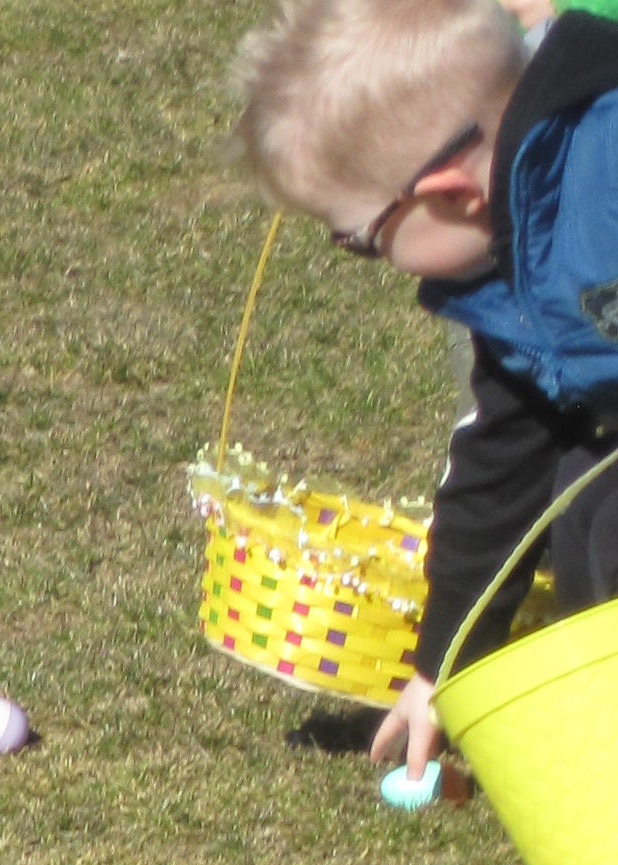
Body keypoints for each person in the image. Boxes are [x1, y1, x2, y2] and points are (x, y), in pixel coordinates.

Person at [231, 0, 618, 777]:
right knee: (582, 506)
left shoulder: (605, 171)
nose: (367, 258)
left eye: (360, 239)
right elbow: (501, 466)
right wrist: (445, 667)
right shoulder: (510, 270)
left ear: (448, 193)